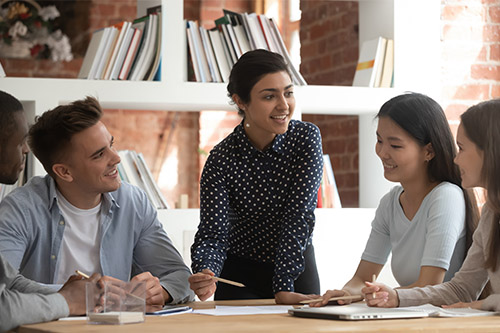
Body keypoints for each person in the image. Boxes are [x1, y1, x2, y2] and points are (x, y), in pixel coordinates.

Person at [0, 96, 194, 309]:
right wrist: (78, 296)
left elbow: (180, 276)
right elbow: (4, 284)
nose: (116, 158)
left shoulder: (133, 202)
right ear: (64, 172)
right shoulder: (20, 208)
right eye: (99, 155)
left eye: (111, 145)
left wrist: (162, 291)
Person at [311, 93, 478, 307]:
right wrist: (344, 293)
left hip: (442, 319)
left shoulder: (446, 196)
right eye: (379, 140)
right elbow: (362, 278)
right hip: (408, 316)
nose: (382, 152)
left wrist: (372, 295)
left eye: (395, 146)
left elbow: (429, 285)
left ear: (429, 151)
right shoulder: (390, 203)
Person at [189, 49, 324, 305]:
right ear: (241, 101)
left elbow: (299, 215)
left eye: (288, 92)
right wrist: (206, 271)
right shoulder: (220, 160)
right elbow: (213, 232)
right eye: (269, 96)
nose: (284, 105)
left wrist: (283, 284)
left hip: (296, 267)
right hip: (241, 274)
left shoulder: (306, 138)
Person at [362, 98, 500, 311]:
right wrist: (396, 297)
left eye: (462, 149)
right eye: (380, 141)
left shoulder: (446, 196)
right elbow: (461, 289)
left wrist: (485, 304)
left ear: (489, 151)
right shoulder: (492, 212)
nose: (456, 159)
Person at [0, 90, 101, 331]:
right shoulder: (19, 206)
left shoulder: (134, 200)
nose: (26, 150)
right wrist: (66, 301)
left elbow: (7, 280)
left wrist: (80, 294)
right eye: (19, 140)